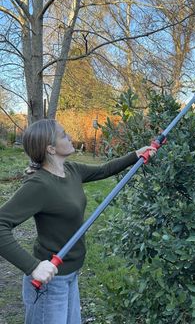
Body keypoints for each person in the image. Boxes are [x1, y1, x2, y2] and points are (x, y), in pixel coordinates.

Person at [0, 119, 156, 324]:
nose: (70, 136)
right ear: (51, 148)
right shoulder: (39, 185)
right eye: (64, 135)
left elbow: (104, 170)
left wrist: (135, 154)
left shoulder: (71, 170)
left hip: (70, 274)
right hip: (49, 282)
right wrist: (33, 267)